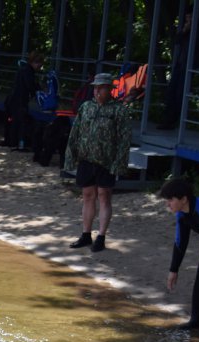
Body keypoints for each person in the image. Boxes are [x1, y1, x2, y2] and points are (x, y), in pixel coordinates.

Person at [64, 72, 132, 253]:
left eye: (101, 88)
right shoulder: (86, 107)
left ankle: (101, 237)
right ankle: (86, 235)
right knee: (87, 195)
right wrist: (71, 155)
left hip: (106, 160)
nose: (97, 91)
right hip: (86, 159)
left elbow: (124, 140)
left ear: (109, 89)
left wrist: (119, 163)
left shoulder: (119, 110)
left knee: (104, 196)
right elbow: (75, 133)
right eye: (95, 87)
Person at [159, 178, 199, 329]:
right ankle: (195, 321)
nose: (167, 204)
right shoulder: (181, 215)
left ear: (184, 199)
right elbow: (180, 242)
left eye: (170, 200)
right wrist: (173, 270)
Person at [5, 51, 44, 150]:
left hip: (15, 98)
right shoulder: (28, 71)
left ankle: (13, 142)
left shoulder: (23, 69)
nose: (39, 66)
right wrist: (38, 90)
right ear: (35, 62)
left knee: (16, 121)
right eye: (39, 64)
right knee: (21, 122)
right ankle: (19, 143)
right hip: (20, 99)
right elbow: (29, 85)